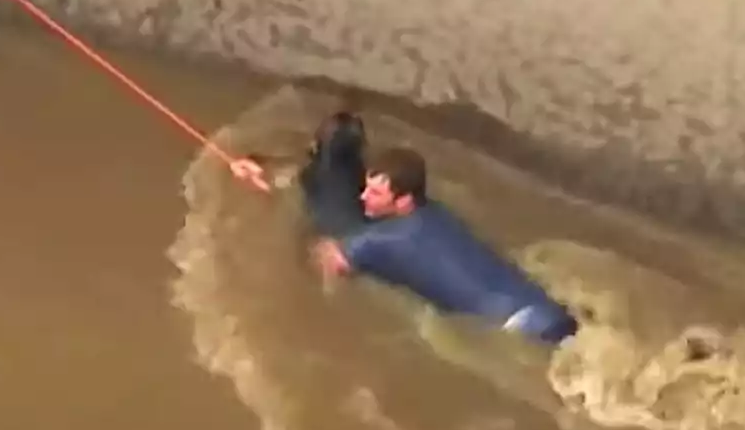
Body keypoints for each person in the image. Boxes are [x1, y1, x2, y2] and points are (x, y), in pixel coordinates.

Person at [231, 112, 579, 345]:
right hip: (547, 310)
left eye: (375, 192)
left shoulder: (378, 241)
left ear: (402, 200)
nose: (363, 195)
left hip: (518, 333)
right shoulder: (437, 215)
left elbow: (327, 265)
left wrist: (283, 215)